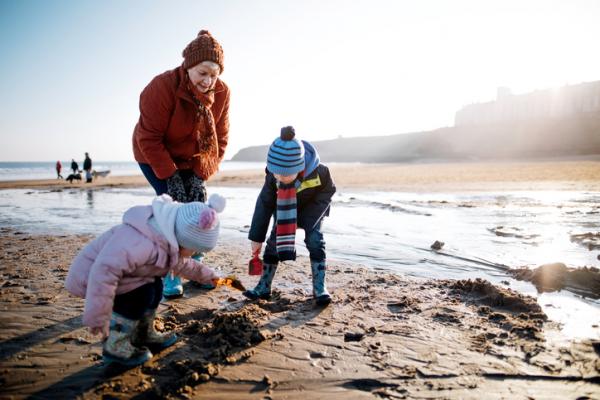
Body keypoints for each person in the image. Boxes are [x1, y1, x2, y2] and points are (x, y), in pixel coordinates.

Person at [65, 193, 226, 366]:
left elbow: (184, 265)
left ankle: (143, 333)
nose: (193, 254)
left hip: (121, 277)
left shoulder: (166, 238)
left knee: (155, 287)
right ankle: (115, 344)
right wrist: (97, 316)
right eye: (192, 249)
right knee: (140, 294)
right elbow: (103, 273)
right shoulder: (138, 243)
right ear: (180, 239)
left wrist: (209, 277)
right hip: (91, 279)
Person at [132, 29, 230, 298]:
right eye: (202, 73)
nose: (208, 81)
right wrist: (171, 177)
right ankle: (171, 274)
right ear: (188, 67)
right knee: (172, 214)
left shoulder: (222, 93)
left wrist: (200, 174)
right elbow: (148, 138)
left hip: (195, 158)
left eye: (214, 74)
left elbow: (220, 138)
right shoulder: (160, 88)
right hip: (155, 154)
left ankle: (195, 268)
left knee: (199, 211)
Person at [243, 126, 336, 306]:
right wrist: (256, 237)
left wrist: (307, 221)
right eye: (276, 172)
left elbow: (328, 193)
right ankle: (264, 286)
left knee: (315, 240)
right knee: (273, 243)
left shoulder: (320, 172)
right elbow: (264, 204)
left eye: (286, 174)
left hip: (313, 211)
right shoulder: (273, 177)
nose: (281, 178)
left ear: (300, 166)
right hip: (285, 209)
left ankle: (319, 287)